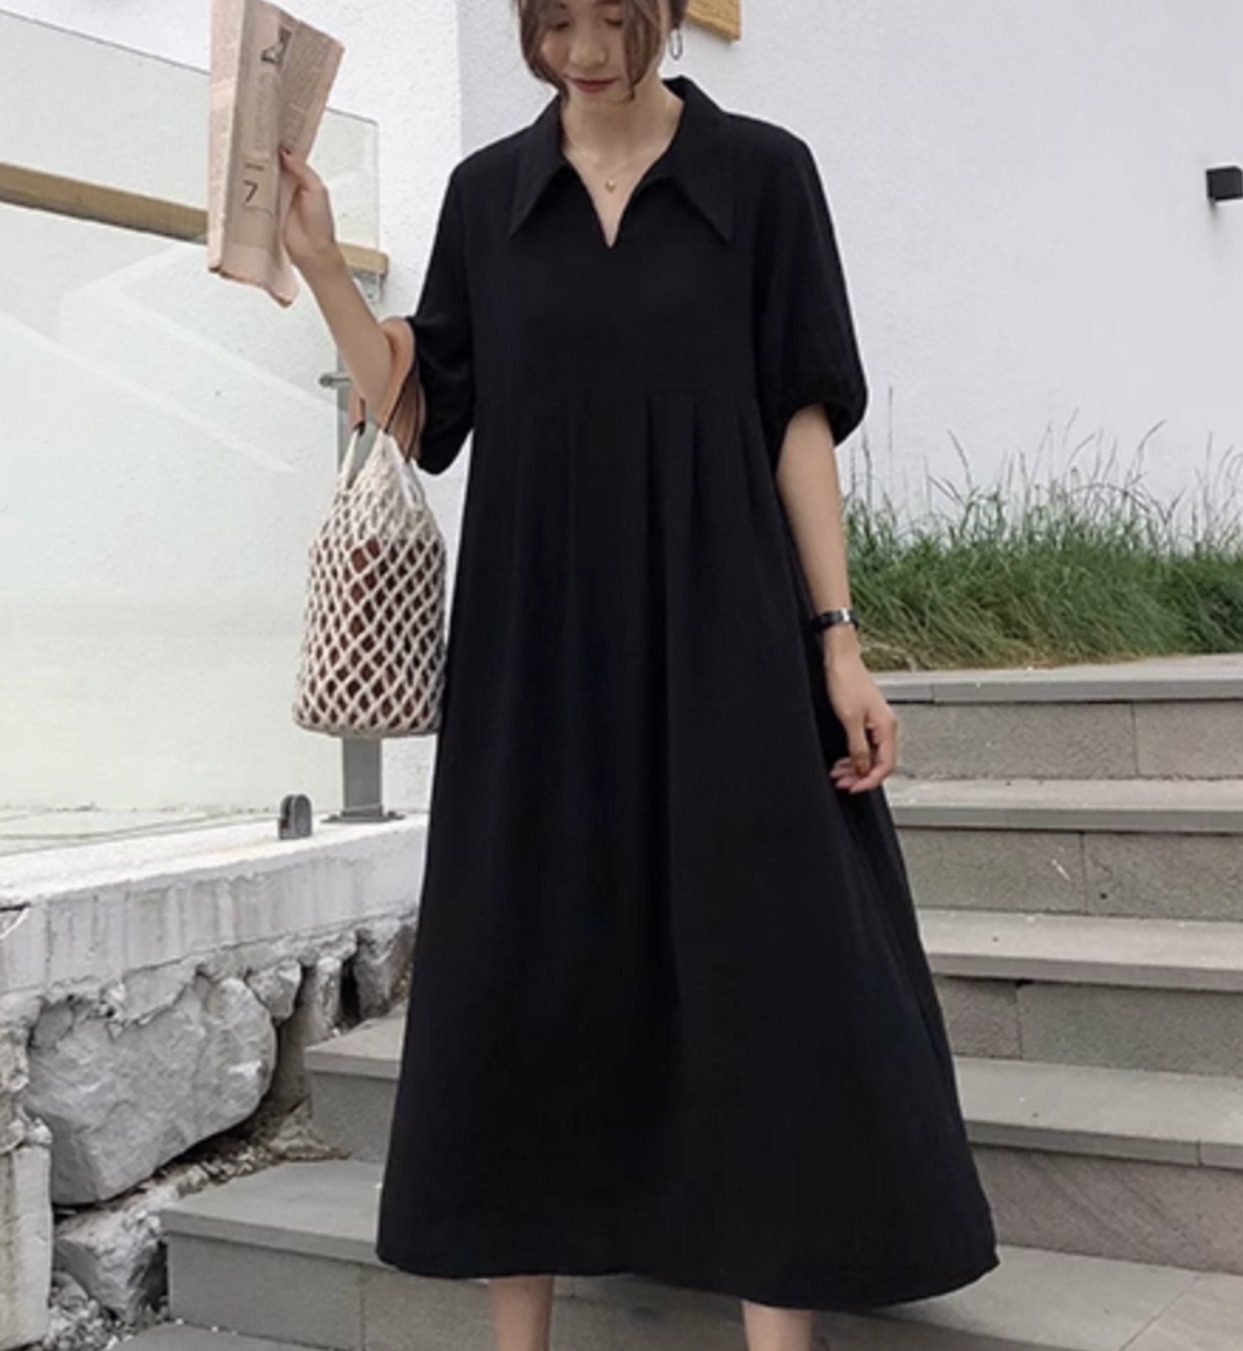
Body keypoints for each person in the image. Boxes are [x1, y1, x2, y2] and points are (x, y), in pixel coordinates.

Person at [279, 2, 999, 1348]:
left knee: (768, 958)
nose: (589, 49)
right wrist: (323, 264)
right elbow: (420, 407)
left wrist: (838, 638)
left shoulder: (763, 176)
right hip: (536, 640)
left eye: (617, 16)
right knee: (525, 960)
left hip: (729, 624)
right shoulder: (489, 195)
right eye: (558, 19)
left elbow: (797, 417)